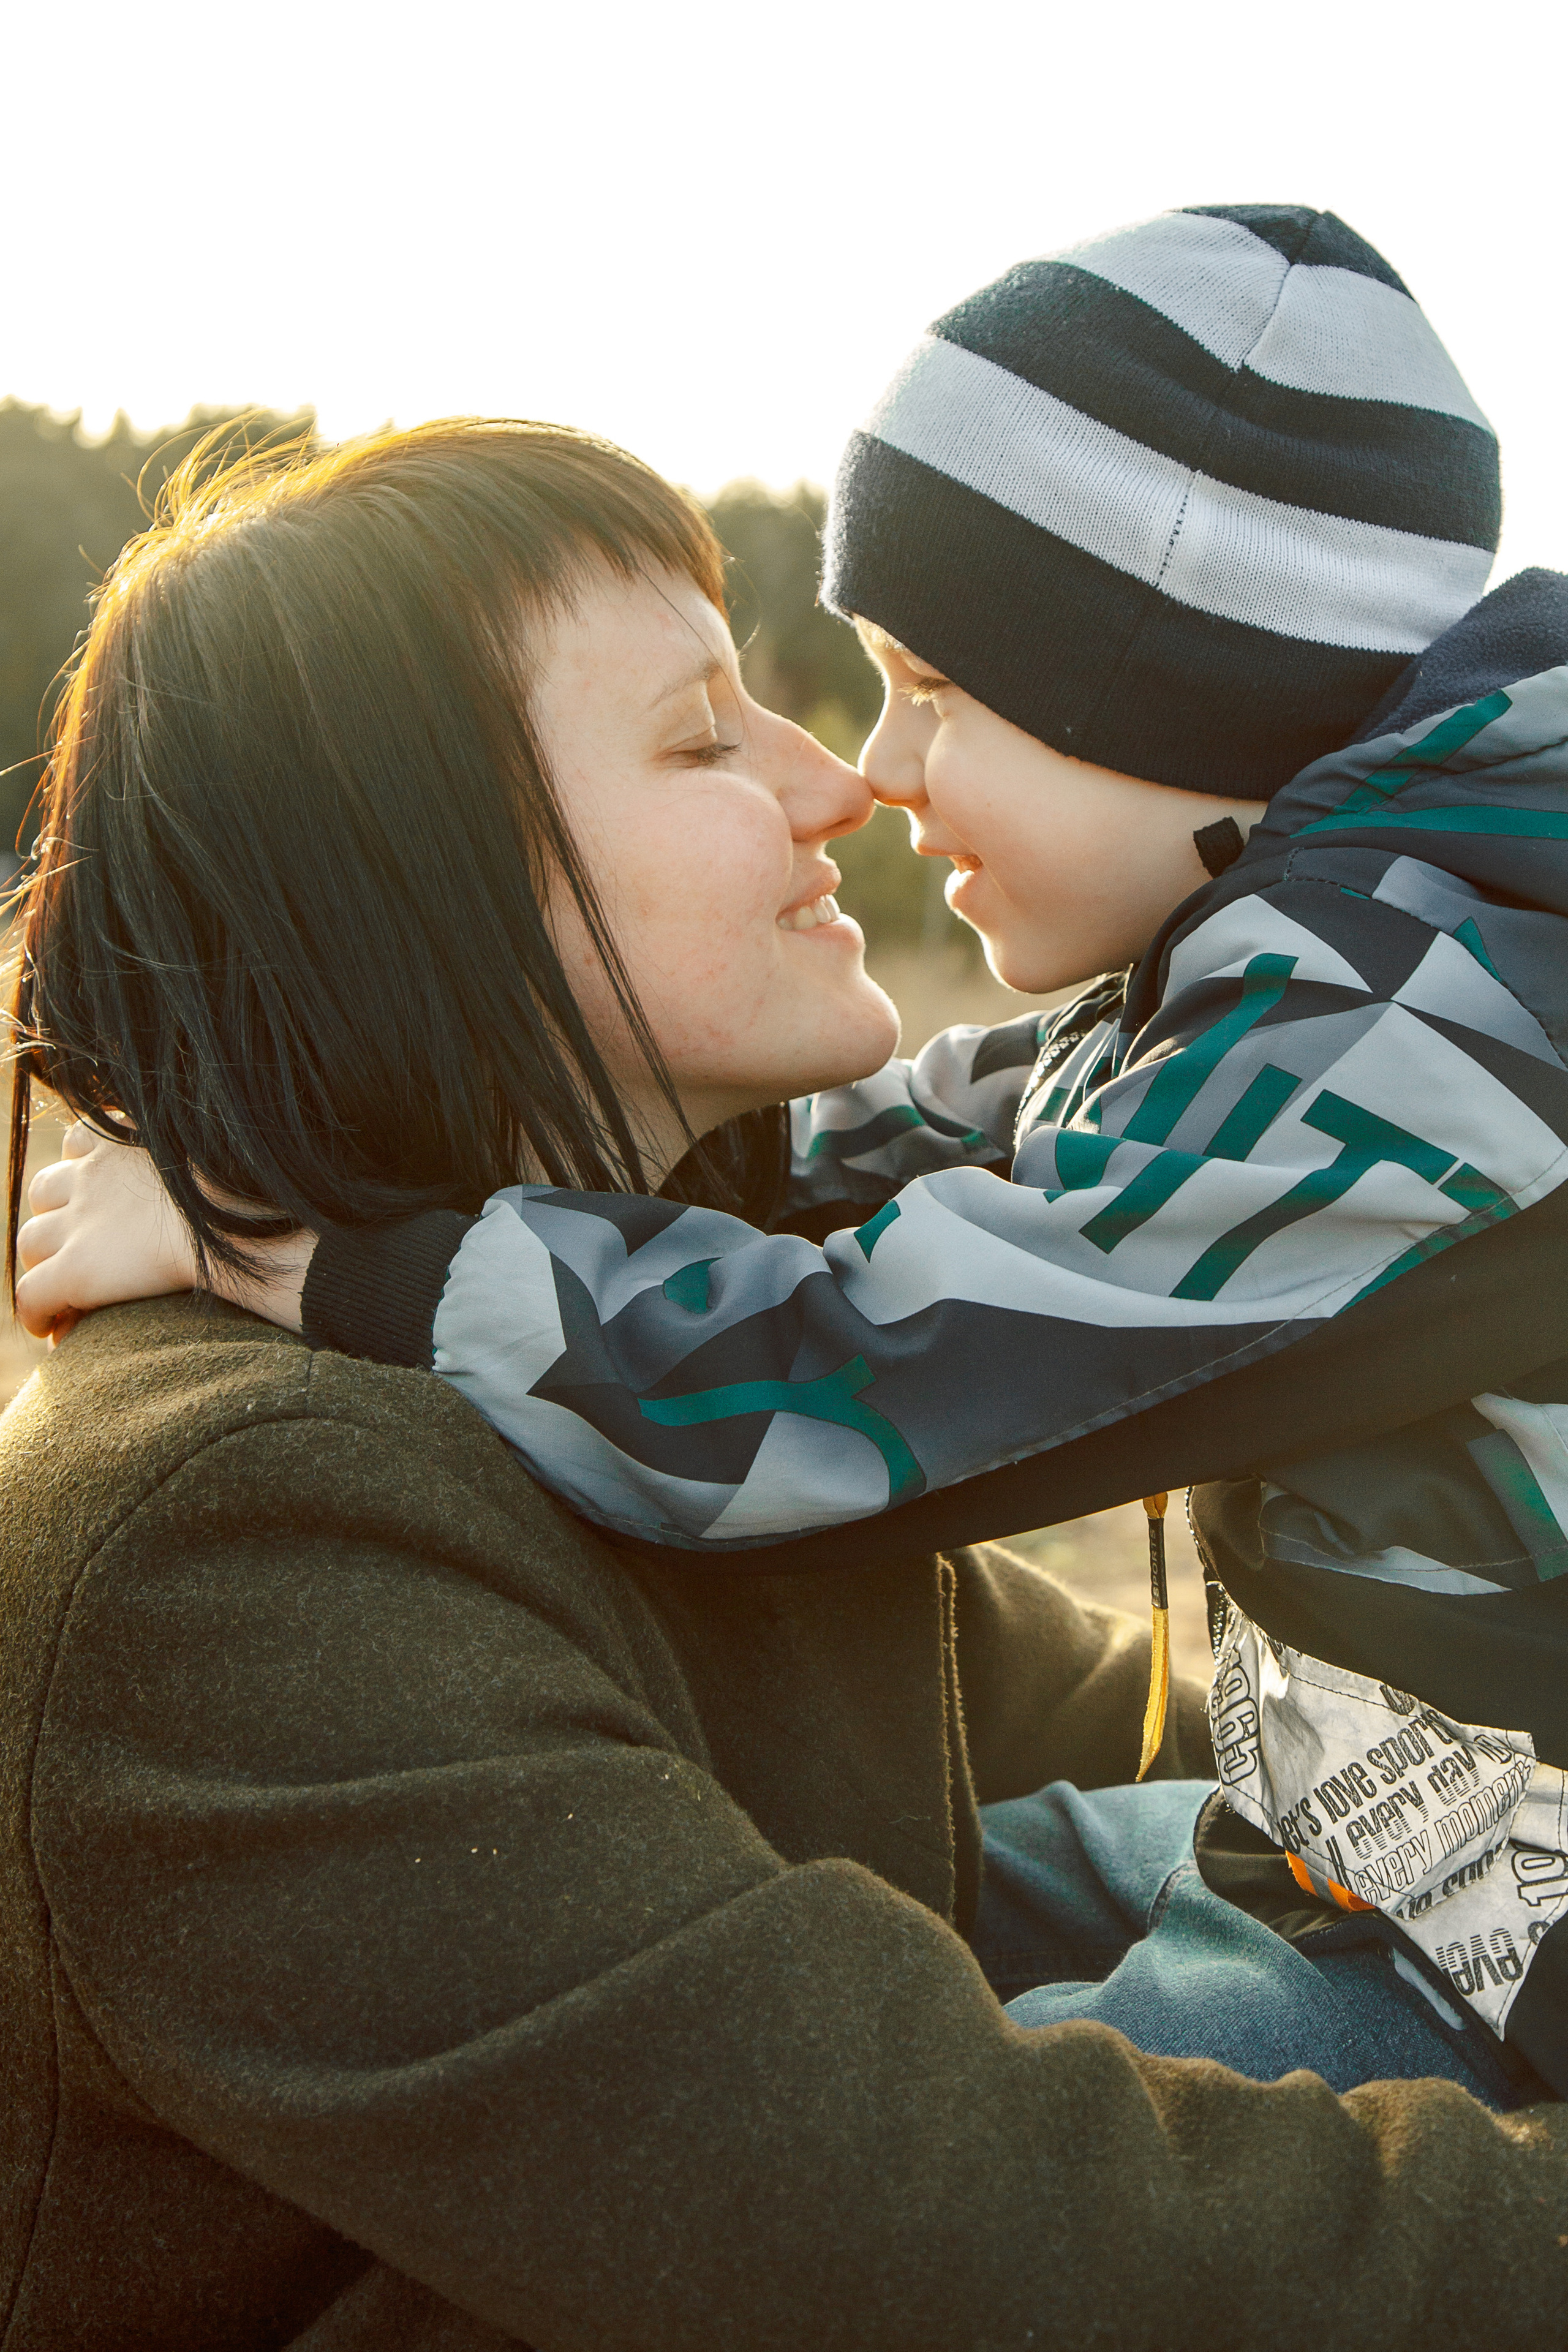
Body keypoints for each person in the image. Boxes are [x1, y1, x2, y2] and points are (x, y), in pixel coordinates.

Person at [9, 413, 1568, 2348]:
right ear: (405, 886)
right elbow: (962, 2244)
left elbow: (1086, 1703)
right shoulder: (235, 1548)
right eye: (702, 736)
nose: (843, 782)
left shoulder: (586, 1377)